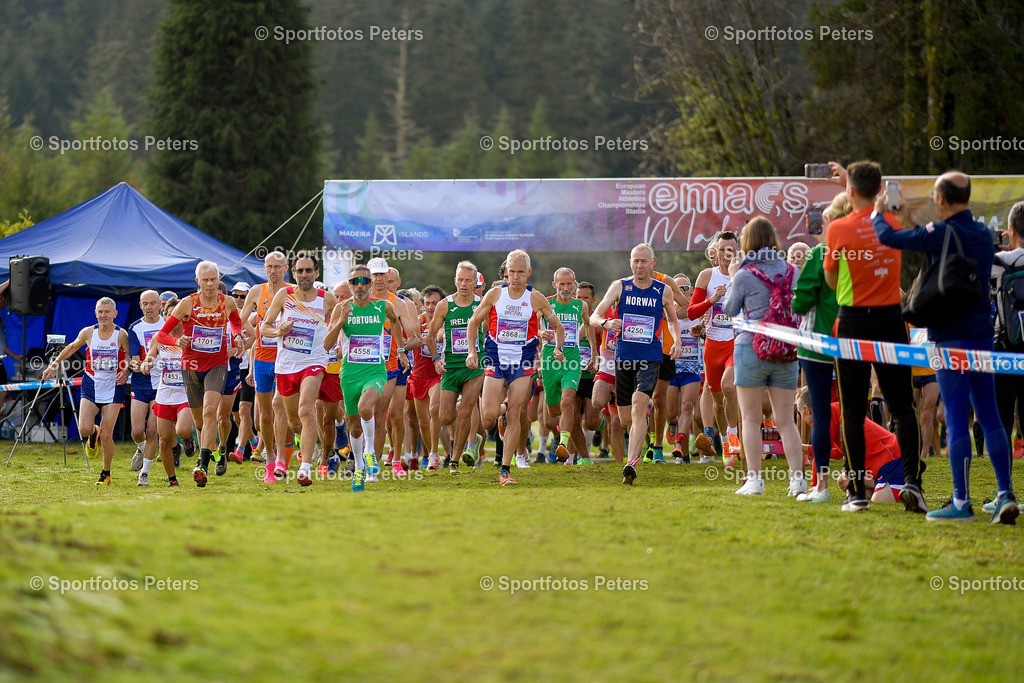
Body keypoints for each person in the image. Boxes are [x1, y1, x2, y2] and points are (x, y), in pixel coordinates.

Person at [874, 171, 1017, 523]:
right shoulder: (985, 234)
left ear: (940, 199)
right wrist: (909, 217)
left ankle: (960, 501)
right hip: (982, 333)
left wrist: (880, 212)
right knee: (989, 416)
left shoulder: (940, 233)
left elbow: (892, 237)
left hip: (948, 335)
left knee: (954, 417)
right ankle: (1005, 494)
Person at [823, 161, 923, 513]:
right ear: (881, 189)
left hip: (852, 321)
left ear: (849, 192)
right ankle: (913, 483)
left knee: (853, 409)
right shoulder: (893, 221)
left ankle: (857, 494)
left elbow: (833, 282)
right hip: (891, 319)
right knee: (902, 406)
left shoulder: (837, 228)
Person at [721, 217, 806, 496]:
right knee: (786, 419)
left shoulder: (745, 274)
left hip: (750, 349)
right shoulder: (793, 271)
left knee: (750, 417)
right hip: (786, 349)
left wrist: (734, 278)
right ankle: (798, 481)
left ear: (748, 241)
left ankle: (755, 480)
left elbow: (730, 309)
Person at [467, 249, 565, 486]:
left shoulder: (536, 298)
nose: (516, 277)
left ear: (528, 272)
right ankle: (505, 406)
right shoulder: (494, 295)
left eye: (521, 272)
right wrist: (472, 351)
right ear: (506, 272)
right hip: (495, 358)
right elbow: (473, 323)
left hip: (524, 360)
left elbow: (558, 327)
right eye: (512, 272)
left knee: (515, 414)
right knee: (489, 416)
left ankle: (505, 469)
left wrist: (558, 348)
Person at [591, 243, 682, 485]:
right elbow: (594, 316)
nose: (639, 265)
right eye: (635, 261)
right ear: (630, 263)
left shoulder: (663, 290)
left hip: (650, 357)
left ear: (652, 263)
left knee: (639, 405)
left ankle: (631, 463)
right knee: (626, 418)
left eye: (644, 261)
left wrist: (678, 341)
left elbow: (673, 320)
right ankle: (641, 429)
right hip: (623, 357)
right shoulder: (620, 286)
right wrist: (606, 324)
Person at [155, 261, 249, 487]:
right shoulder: (187, 304)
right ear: (197, 281)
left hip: (217, 365)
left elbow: (236, 321)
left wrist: (237, 335)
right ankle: (206, 450)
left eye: (213, 279)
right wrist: (177, 341)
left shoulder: (226, 302)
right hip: (191, 367)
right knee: (199, 421)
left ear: (219, 279)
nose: (210, 284)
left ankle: (203, 464)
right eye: (205, 280)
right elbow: (161, 335)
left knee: (210, 412)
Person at [324, 264, 403, 491]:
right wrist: (340, 321)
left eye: (364, 281)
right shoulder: (342, 308)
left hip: (375, 371)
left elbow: (395, 321)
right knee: (354, 427)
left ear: (370, 284)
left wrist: (400, 351)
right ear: (350, 285)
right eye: (355, 282)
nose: (360, 286)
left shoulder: (382, 306)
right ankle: (359, 467)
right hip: (349, 374)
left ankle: (370, 453)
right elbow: (327, 344)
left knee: (366, 407)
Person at [261, 251, 337, 487]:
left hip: (314, 361)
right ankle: (306, 440)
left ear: (316, 272)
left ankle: (305, 469)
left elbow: (337, 328)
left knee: (307, 409)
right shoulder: (285, 295)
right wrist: (278, 331)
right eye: (300, 270)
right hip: (286, 365)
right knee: (295, 421)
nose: (304, 274)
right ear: (293, 273)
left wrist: (339, 345)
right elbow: (264, 326)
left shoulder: (327, 299)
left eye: (308, 270)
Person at [791, 192, 848, 503]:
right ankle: (857, 483)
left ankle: (822, 486)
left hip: (817, 344)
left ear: (829, 221)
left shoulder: (820, 253)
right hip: (853, 341)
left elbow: (800, 302)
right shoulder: (860, 251)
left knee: (822, 414)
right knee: (853, 412)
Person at [42, 297, 130, 485]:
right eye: (100, 311)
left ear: (115, 314)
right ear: (95, 313)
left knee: (107, 434)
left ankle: (105, 473)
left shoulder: (121, 335)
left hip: (113, 386)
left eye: (107, 312)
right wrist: (53, 365)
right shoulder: (88, 332)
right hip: (91, 383)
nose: (103, 315)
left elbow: (131, 355)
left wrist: (127, 369)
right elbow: (72, 347)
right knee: (84, 429)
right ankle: (93, 433)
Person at [688, 231, 742, 467]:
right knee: (718, 401)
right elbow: (691, 312)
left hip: (736, 342)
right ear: (715, 252)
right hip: (712, 345)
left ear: (736, 252)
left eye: (730, 250)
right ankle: (727, 444)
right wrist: (712, 300)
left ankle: (734, 439)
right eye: (722, 250)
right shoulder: (707, 276)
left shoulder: (743, 275)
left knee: (730, 386)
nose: (726, 255)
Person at [796, 388, 904, 504]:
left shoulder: (827, 415)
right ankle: (879, 485)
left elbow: (821, 452)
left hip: (891, 459)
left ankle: (897, 485)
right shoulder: (832, 411)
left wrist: (815, 487)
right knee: (843, 480)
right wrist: (803, 447)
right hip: (876, 465)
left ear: (807, 410)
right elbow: (837, 453)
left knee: (878, 500)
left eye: (800, 413)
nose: (801, 417)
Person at [238, 250, 290, 483]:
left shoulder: (292, 292)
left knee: (281, 406)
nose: (273, 271)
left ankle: (281, 457)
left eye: (278, 267)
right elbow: (239, 320)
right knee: (264, 417)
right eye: (269, 266)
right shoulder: (257, 291)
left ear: (286, 269)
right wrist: (253, 334)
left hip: (286, 359)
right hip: (261, 359)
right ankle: (270, 460)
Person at [366, 257, 417, 478]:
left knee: (388, 414)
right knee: (358, 415)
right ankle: (358, 458)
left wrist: (402, 349)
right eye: (374, 275)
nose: (378, 279)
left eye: (382, 274)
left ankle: (381, 463)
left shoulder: (398, 303)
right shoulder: (358, 300)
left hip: (390, 365)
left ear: (389, 276)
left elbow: (415, 336)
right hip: (361, 364)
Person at [542, 267, 596, 463]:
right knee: (553, 412)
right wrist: (541, 334)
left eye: (569, 284)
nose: (565, 288)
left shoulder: (580, 306)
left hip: (571, 361)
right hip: (550, 362)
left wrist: (594, 353)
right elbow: (533, 328)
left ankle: (563, 444)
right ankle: (562, 436)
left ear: (574, 285)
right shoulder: (545, 304)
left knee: (568, 400)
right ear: (554, 285)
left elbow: (589, 326)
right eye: (561, 284)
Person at [139, 299, 193, 487]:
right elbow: (149, 358)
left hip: (185, 393)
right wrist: (146, 365)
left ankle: (188, 438)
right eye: (170, 315)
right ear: (165, 317)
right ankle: (172, 480)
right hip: (164, 393)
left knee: (183, 429)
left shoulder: (189, 336)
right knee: (164, 440)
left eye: (177, 314)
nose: (174, 318)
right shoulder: (159, 338)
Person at [993, 201, 1024, 467]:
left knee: (1002, 419)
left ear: (1011, 229)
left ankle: (1006, 492)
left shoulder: (1001, 262)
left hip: (1006, 350)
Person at [125, 290, 163, 472]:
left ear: (160, 305)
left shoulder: (168, 324)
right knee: (137, 431)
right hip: (141, 381)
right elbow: (133, 357)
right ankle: (142, 449)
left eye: (152, 303)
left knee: (152, 430)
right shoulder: (135, 328)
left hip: (163, 382)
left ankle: (144, 473)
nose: (149, 307)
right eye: (145, 304)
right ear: (140, 306)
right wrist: (137, 365)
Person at [410, 284, 445, 470]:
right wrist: (417, 340)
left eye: (435, 303)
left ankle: (433, 454)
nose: (431, 307)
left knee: (435, 409)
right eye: (428, 303)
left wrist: (439, 336)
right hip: (418, 375)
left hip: (437, 374)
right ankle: (429, 451)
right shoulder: (417, 321)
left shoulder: (445, 321)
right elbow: (406, 343)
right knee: (423, 421)